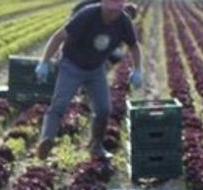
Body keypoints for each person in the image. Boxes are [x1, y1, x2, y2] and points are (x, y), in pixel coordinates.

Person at [34, 0, 142, 161]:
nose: (112, 15)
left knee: (104, 109)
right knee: (59, 105)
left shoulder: (123, 21)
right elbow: (58, 37)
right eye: (109, 10)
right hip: (72, 65)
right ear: (103, 5)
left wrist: (138, 69)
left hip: (95, 68)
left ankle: (97, 146)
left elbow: (134, 46)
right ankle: (47, 140)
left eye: (116, 11)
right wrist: (44, 61)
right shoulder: (87, 15)